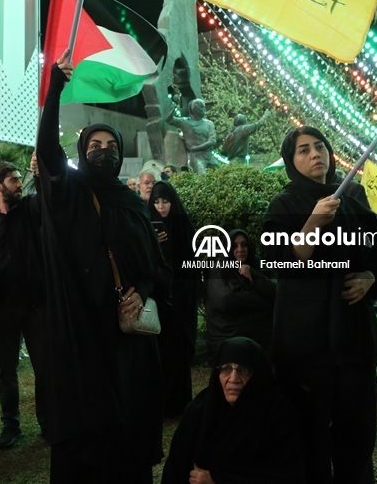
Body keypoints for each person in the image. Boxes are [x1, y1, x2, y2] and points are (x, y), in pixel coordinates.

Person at [37, 54, 172, 484]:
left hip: (128, 336)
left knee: (128, 429)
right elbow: (47, 152)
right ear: (82, 152)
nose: (103, 152)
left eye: (111, 146)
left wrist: (145, 290)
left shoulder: (132, 204)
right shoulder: (70, 193)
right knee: (86, 431)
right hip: (83, 333)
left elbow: (156, 266)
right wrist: (55, 90)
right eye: (94, 146)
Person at [261, 126, 377, 484]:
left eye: (320, 147)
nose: (315, 154)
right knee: (308, 433)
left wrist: (370, 279)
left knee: (357, 434)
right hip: (305, 342)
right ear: (291, 161)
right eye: (303, 150)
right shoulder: (285, 204)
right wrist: (313, 223)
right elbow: (280, 263)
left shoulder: (355, 202)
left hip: (352, 338)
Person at [0, 161, 49, 449]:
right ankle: (11, 426)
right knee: (7, 370)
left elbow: (47, 198)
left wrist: (40, 174)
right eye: (13, 180)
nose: (18, 183)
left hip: (37, 303)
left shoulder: (30, 210)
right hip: (3, 307)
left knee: (44, 367)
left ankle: (48, 423)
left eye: (19, 178)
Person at [161, 337, 304, 484]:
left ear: (258, 374)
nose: (233, 378)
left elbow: (285, 476)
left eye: (243, 370)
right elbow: (175, 471)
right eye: (226, 369)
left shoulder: (277, 415)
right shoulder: (199, 412)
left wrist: (217, 479)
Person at [148, 180, 197, 418]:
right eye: (156, 201)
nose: (161, 206)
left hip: (180, 299)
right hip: (158, 299)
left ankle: (179, 404)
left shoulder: (182, 226)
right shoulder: (147, 227)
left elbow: (192, 262)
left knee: (178, 353)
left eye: (165, 201)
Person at [205, 230, 276, 359]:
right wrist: (261, 298)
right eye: (234, 246)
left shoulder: (257, 263)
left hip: (260, 336)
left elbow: (276, 291)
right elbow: (226, 302)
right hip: (226, 335)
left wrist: (253, 274)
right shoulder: (219, 269)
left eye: (244, 245)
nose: (240, 249)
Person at [165, 99, 216, 174]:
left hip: (209, 155)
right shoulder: (185, 122)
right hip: (196, 157)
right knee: (201, 173)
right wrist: (174, 107)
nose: (204, 109)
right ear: (195, 109)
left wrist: (196, 148)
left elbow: (212, 141)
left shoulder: (209, 124)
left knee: (221, 172)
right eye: (202, 107)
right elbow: (169, 120)